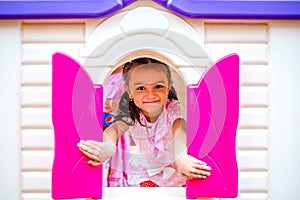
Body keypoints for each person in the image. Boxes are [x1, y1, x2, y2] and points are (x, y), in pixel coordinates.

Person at [78, 57, 211, 187]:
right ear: (129, 91)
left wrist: (181, 156)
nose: (151, 94)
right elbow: (115, 129)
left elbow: (179, 128)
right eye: (141, 88)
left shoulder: (172, 108)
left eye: (158, 86)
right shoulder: (131, 111)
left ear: (169, 86)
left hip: (175, 172)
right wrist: (109, 146)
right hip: (146, 173)